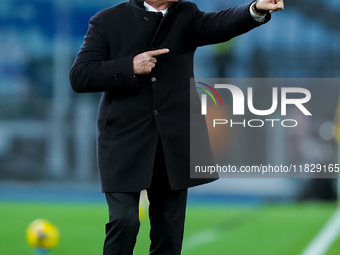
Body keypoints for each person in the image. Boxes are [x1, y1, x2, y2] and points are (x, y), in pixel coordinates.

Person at [69, 0, 284, 254]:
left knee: (169, 233)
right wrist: (129, 66)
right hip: (124, 141)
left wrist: (256, 9)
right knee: (124, 220)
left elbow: (222, 24)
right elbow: (80, 75)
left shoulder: (187, 14)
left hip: (174, 141)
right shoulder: (106, 21)